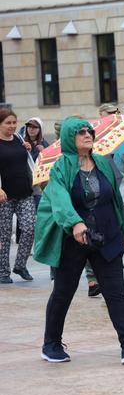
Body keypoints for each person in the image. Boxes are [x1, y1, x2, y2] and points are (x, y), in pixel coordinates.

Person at [34, 117, 124, 364]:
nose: (87, 134)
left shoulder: (102, 162)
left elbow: (115, 198)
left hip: (107, 237)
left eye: (89, 131)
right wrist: (75, 222)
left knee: (116, 292)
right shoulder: (61, 167)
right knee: (63, 292)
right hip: (73, 241)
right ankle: (51, 344)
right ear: (69, 138)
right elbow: (58, 198)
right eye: (80, 132)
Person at [0, 109, 36, 284]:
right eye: (8, 123)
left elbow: (27, 161)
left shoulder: (20, 139)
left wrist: (28, 149)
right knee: (4, 235)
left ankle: (20, 265)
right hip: (4, 197)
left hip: (24, 193)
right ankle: (3, 271)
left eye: (14, 122)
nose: (12, 126)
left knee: (30, 228)